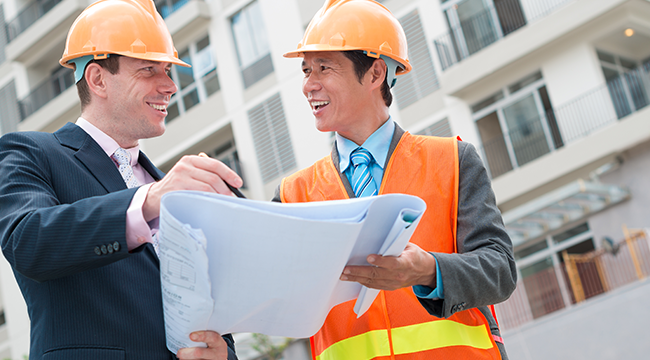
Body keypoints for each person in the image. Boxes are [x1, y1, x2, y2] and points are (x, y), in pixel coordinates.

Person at [277, 0, 517, 359]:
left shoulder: (452, 160)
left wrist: (428, 271)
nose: (308, 86)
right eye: (306, 70)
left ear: (375, 74)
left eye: (323, 68)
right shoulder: (292, 195)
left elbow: (499, 270)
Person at [0, 0, 239, 359]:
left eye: (167, 71)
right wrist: (148, 201)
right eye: (149, 70)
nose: (170, 86)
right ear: (97, 79)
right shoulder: (30, 153)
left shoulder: (165, 186)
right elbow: (28, 241)